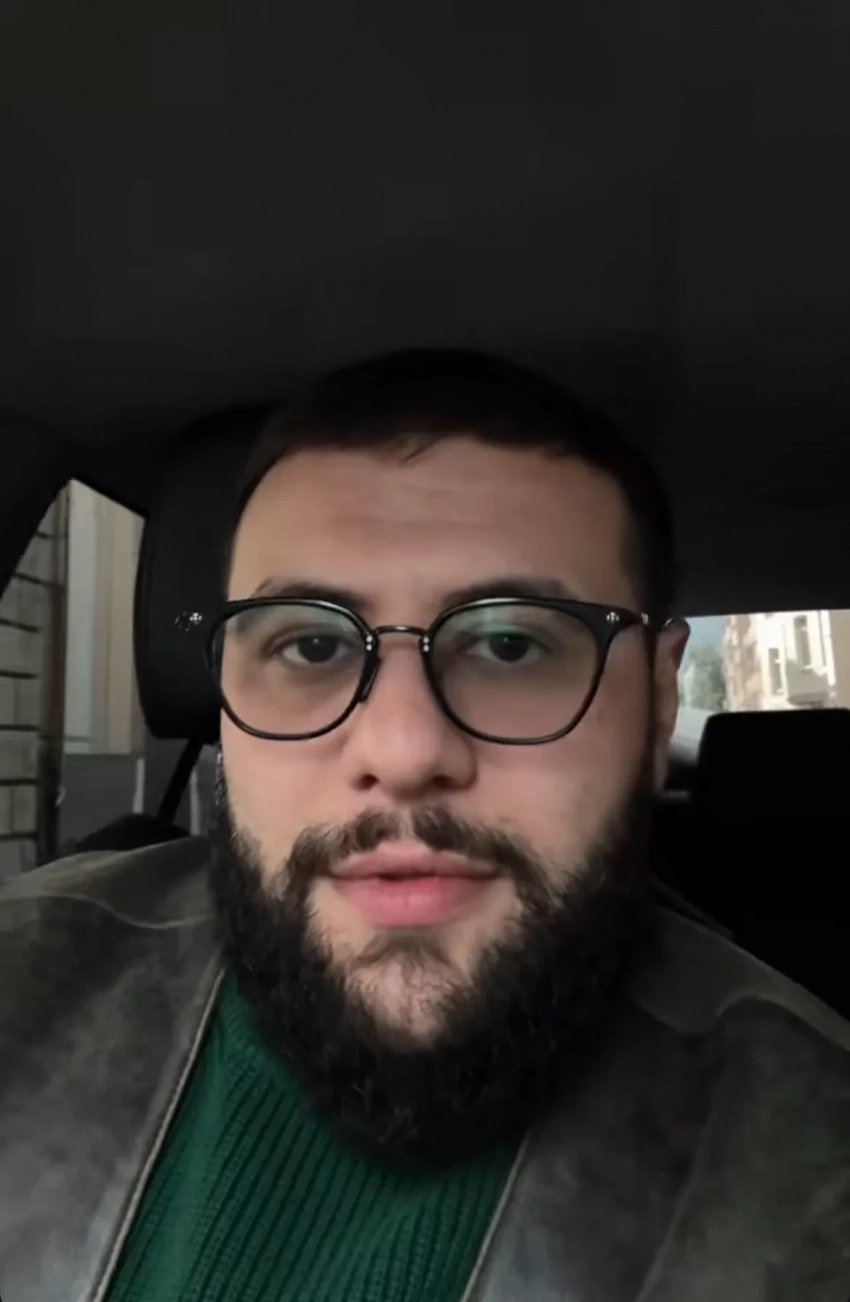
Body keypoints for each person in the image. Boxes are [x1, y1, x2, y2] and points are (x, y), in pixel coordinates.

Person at [1, 351, 848, 1302]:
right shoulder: (22, 975)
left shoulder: (811, 1156)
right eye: (310, 644)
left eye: (511, 644)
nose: (404, 750)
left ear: (656, 706)